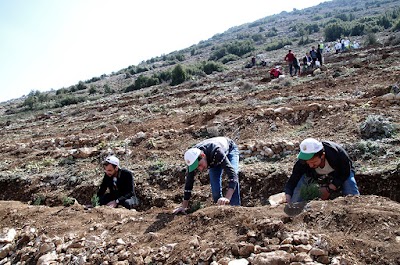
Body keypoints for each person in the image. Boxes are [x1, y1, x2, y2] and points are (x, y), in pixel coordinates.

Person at [173, 137, 240, 214]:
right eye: (197, 167)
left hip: (229, 149)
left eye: (200, 165)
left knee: (234, 173)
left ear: (203, 155)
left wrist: (227, 198)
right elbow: (189, 182)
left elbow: (233, 176)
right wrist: (184, 206)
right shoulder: (192, 159)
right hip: (212, 159)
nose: (200, 169)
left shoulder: (216, 151)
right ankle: (220, 212)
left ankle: (235, 210)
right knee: (215, 191)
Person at [285, 138, 360, 203]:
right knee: (299, 187)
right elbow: (293, 179)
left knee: (350, 185)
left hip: (340, 172)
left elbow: (345, 172)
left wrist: (329, 188)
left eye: (314, 162)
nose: (311, 165)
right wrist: (288, 194)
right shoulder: (302, 162)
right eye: (308, 163)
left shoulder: (337, 153)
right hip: (315, 175)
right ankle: (295, 212)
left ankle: (356, 208)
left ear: (322, 155)